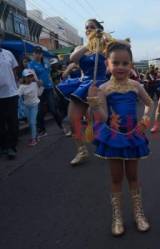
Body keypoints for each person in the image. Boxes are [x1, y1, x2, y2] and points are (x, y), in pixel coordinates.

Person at [88, 41, 153, 236]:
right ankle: (117, 216)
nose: (121, 67)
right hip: (114, 137)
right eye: (116, 63)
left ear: (131, 65)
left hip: (133, 135)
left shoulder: (136, 86)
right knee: (116, 178)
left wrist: (145, 119)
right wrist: (94, 105)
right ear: (107, 64)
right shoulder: (104, 88)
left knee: (133, 176)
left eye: (125, 63)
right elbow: (105, 117)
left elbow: (149, 103)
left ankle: (138, 214)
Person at [55, 19, 110, 165]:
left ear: (99, 30)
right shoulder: (81, 47)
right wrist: (89, 45)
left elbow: (114, 61)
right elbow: (73, 58)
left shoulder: (106, 47)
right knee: (73, 118)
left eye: (92, 27)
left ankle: (104, 139)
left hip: (99, 84)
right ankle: (81, 151)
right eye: (87, 28)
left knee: (97, 119)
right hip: (82, 83)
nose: (89, 30)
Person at [28, 46, 63, 136]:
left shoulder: (46, 62)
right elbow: (32, 75)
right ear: (33, 54)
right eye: (36, 53)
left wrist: (53, 88)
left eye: (40, 53)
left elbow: (49, 75)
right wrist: (36, 81)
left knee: (53, 109)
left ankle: (62, 126)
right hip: (39, 90)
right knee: (40, 111)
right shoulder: (31, 64)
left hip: (49, 89)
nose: (38, 55)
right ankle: (42, 130)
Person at [0, 33, 19, 159]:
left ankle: (12, 147)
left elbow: (15, 70)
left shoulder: (8, 53)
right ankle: (4, 146)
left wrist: (13, 83)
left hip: (11, 94)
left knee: (12, 122)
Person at [18, 69, 42, 146]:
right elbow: (17, 95)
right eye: (27, 76)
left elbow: (39, 93)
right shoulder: (22, 87)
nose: (29, 78)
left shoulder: (35, 84)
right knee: (31, 123)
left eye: (31, 76)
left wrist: (40, 85)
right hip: (26, 107)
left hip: (34, 105)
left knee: (32, 122)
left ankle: (33, 139)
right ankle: (36, 135)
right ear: (24, 78)